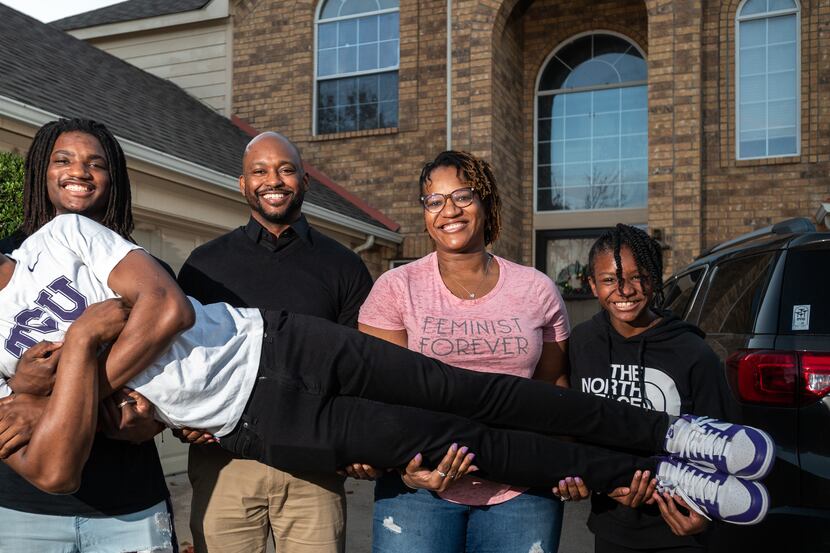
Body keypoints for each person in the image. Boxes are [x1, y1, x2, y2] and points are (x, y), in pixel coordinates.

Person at [0, 213, 774, 528]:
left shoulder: (60, 237)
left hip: (286, 342)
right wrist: (92, 335)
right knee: (470, 442)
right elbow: (56, 466)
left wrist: (69, 367)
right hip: (260, 425)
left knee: (483, 390)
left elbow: (164, 307)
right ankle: (671, 476)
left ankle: (679, 431)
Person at [358, 151, 570, 552]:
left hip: (521, 491)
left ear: (486, 202)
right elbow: (380, 395)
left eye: (462, 196)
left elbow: (553, 390)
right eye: (434, 201)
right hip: (419, 492)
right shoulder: (396, 288)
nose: (448, 211)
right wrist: (407, 470)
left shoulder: (536, 288)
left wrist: (565, 464)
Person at [177, 131, 374, 553]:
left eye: (286, 169)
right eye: (260, 171)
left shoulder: (343, 265)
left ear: (304, 179)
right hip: (225, 463)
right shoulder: (205, 266)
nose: (274, 180)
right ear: (243, 183)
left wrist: (356, 440)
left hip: (313, 467)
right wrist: (183, 419)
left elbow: (361, 368)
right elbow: (182, 357)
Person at [0, 119, 174, 552]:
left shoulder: (148, 274)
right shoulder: (8, 265)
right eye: (62, 160)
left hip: (129, 501)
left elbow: (178, 380)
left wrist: (156, 420)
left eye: (96, 164)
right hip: (21, 508)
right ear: (41, 171)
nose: (79, 172)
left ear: (113, 180)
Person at [570, 224, 736, 552]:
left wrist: (705, 511)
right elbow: (574, 425)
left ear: (655, 277)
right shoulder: (582, 343)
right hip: (611, 524)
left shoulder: (692, 352)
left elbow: (725, 443)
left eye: (637, 276)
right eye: (608, 279)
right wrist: (588, 478)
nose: (625, 290)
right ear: (592, 285)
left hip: (679, 526)